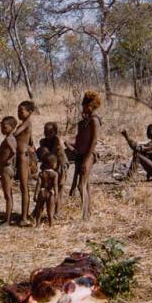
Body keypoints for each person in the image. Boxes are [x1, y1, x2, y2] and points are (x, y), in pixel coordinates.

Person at [64, 91, 101, 220]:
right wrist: (69, 143)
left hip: (88, 155)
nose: (83, 108)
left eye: (84, 105)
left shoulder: (94, 121)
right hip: (81, 153)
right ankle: (88, 213)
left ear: (90, 105)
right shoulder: (85, 121)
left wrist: (86, 160)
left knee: (81, 185)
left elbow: (94, 141)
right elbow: (80, 139)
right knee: (86, 184)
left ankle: (85, 217)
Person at [36, 122, 69, 218]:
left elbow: (59, 157)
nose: (47, 134)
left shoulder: (57, 142)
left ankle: (57, 212)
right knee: (46, 190)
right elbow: (43, 155)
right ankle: (42, 211)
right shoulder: (43, 142)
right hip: (49, 168)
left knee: (58, 190)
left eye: (50, 132)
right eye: (45, 132)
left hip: (60, 166)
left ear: (55, 132)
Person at [14, 100, 36, 227]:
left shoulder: (27, 123)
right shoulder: (25, 123)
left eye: (21, 111)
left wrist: (11, 129)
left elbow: (16, 134)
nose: (19, 113)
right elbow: (31, 141)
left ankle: (24, 218)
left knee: (24, 187)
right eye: (18, 111)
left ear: (30, 112)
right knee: (23, 187)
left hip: (23, 157)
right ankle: (24, 215)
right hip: (22, 155)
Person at [0, 116, 18, 226]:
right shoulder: (12, 138)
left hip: (6, 169)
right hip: (6, 169)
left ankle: (7, 220)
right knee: (8, 195)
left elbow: (14, 152)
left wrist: (7, 161)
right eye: (2, 127)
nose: (2, 129)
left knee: (8, 195)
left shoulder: (9, 139)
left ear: (12, 127)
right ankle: (7, 218)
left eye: (5, 127)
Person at [32, 153, 59, 227]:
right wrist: (56, 194)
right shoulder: (55, 174)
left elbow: (38, 184)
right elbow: (55, 185)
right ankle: (51, 225)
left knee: (39, 209)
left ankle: (37, 224)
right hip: (50, 193)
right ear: (53, 164)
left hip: (42, 192)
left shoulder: (41, 173)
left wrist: (36, 194)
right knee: (50, 211)